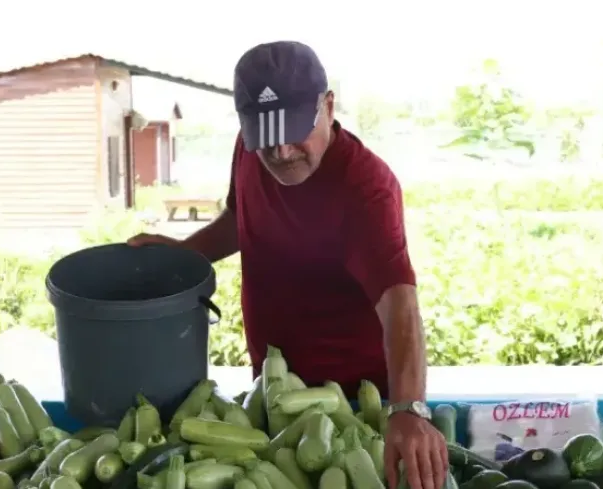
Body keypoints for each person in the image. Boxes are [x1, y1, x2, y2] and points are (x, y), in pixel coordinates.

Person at [128, 41, 447, 489]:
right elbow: (241, 217)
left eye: (294, 129)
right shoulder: (247, 148)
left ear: (329, 107)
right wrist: (186, 253)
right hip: (272, 390)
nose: (280, 150)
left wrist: (409, 409)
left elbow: (400, 303)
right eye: (265, 134)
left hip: (349, 406)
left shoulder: (366, 189)